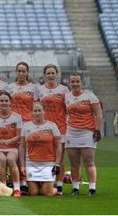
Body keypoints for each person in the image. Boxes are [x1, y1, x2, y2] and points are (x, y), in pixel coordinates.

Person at [65, 74, 102, 196]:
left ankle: (92, 188)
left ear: (81, 82)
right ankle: (75, 188)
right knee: (74, 163)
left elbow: (98, 114)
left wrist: (97, 130)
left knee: (89, 161)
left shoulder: (89, 95)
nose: (75, 83)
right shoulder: (67, 96)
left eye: (77, 81)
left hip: (87, 132)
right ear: (69, 83)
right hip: (71, 132)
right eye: (73, 81)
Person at [37, 64, 69, 195]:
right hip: (44, 128)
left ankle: (59, 185)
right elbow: (36, 108)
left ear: (57, 74)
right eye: (48, 73)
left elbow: (68, 108)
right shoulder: (38, 89)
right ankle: (46, 182)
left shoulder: (64, 89)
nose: (50, 75)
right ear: (44, 75)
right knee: (44, 157)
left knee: (59, 158)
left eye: (53, 73)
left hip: (61, 128)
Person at [19, 102, 62, 196]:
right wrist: (22, 166)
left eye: (39, 110)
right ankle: (41, 186)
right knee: (33, 193)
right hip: (31, 163)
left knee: (47, 193)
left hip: (48, 163)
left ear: (44, 112)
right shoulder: (26, 126)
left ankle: (54, 189)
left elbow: (58, 146)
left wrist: (57, 164)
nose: (37, 113)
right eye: (35, 111)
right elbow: (22, 147)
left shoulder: (52, 125)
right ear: (32, 113)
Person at [0, 92, 23, 197]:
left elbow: (18, 136)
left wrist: (8, 141)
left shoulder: (17, 117)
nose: (4, 103)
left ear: (10, 102)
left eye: (6, 101)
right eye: (1, 101)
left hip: (12, 148)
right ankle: (3, 189)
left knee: (11, 159)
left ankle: (17, 189)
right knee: (2, 160)